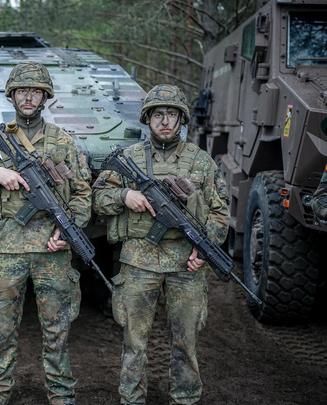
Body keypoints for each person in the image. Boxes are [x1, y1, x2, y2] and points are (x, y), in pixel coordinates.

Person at [0, 61, 91, 405]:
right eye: (22, 91)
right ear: (12, 95)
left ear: (45, 96)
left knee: (57, 329)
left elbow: (82, 195)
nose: (29, 97)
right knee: (3, 329)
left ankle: (61, 392)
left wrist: (68, 230)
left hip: (54, 249)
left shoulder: (64, 142)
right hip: (8, 247)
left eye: (35, 91)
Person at [93, 84, 230, 405]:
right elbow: (97, 199)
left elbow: (221, 213)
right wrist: (125, 195)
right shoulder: (128, 159)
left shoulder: (201, 162)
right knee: (134, 341)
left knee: (186, 342)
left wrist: (203, 250)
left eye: (171, 114)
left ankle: (184, 398)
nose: (165, 121)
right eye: (158, 114)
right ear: (148, 119)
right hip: (138, 263)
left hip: (186, 265)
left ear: (182, 119)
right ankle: (131, 399)